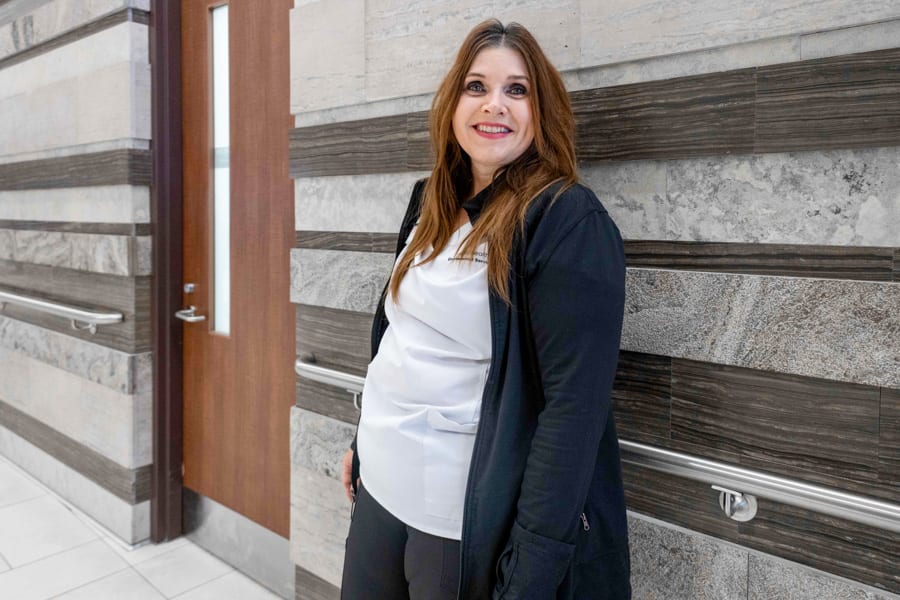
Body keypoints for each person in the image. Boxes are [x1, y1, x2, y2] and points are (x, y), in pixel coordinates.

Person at [339, 18, 630, 600]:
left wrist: (529, 573)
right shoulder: (429, 202)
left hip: (456, 521)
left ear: (541, 111)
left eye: (516, 90)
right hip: (378, 489)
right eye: (477, 86)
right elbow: (400, 336)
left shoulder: (565, 220)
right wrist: (361, 435)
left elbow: (572, 414)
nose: (494, 104)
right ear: (454, 103)